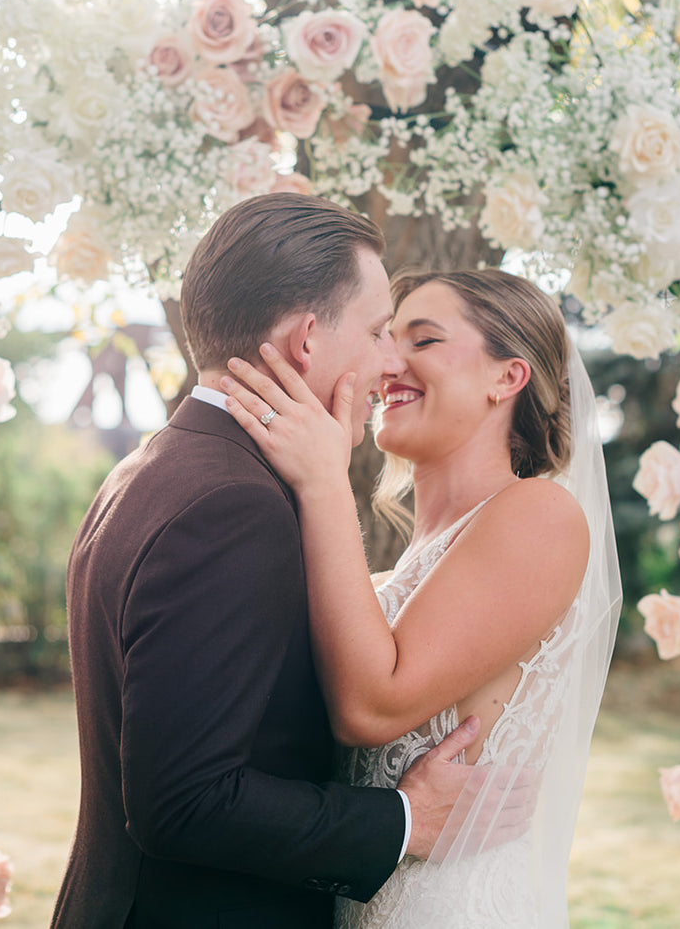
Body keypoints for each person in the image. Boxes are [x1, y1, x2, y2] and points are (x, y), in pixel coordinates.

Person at [51, 194, 492, 929]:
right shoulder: (232, 506)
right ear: (307, 341)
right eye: (379, 330)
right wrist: (403, 819)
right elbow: (182, 802)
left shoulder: (154, 467)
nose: (391, 361)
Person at [221, 269, 623, 927]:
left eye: (424, 340)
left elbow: (371, 705)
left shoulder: (539, 515)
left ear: (506, 377)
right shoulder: (391, 576)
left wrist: (323, 479)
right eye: (384, 336)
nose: (387, 361)